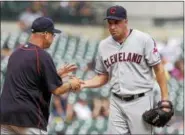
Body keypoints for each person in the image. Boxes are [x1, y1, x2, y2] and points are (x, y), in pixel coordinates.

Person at [80, 6, 172, 134]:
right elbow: (103, 76)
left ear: (126, 21)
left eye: (116, 22)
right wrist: (83, 84)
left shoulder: (143, 39)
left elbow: (159, 69)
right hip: (116, 101)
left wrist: (165, 99)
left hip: (141, 100)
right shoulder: (104, 45)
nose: (112, 27)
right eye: (110, 23)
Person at [0, 17, 81, 134]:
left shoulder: (16, 53)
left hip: (6, 117)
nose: (53, 38)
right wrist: (71, 84)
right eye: (53, 35)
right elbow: (57, 90)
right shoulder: (42, 56)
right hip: (28, 118)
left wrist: (56, 74)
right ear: (46, 34)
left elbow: (31, 79)